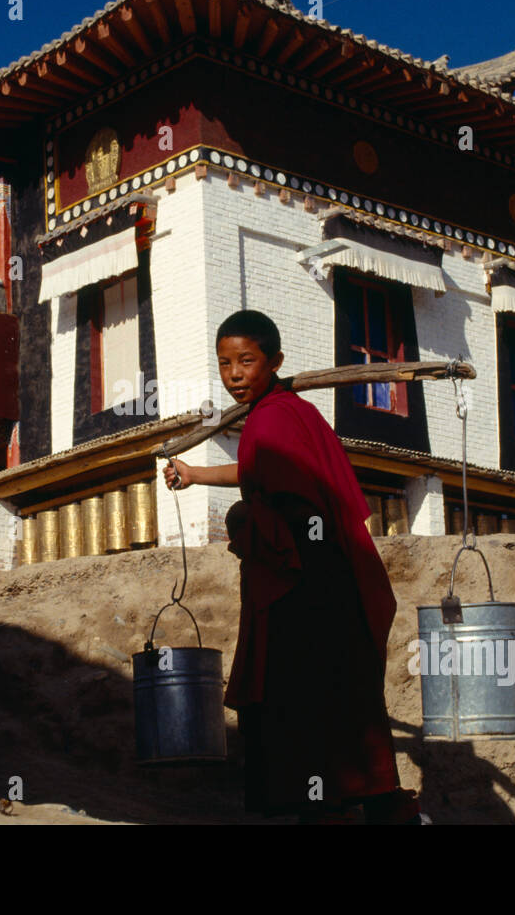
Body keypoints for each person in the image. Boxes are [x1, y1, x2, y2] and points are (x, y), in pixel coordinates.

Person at [162, 309, 422, 824]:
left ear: (275, 361)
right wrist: (194, 474)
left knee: (300, 694)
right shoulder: (282, 413)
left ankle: (322, 805)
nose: (234, 374)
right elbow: (260, 469)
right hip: (320, 576)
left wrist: (255, 527)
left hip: (304, 581)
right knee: (335, 693)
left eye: (247, 362)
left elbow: (294, 502)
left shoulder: (277, 415)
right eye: (225, 364)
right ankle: (364, 800)